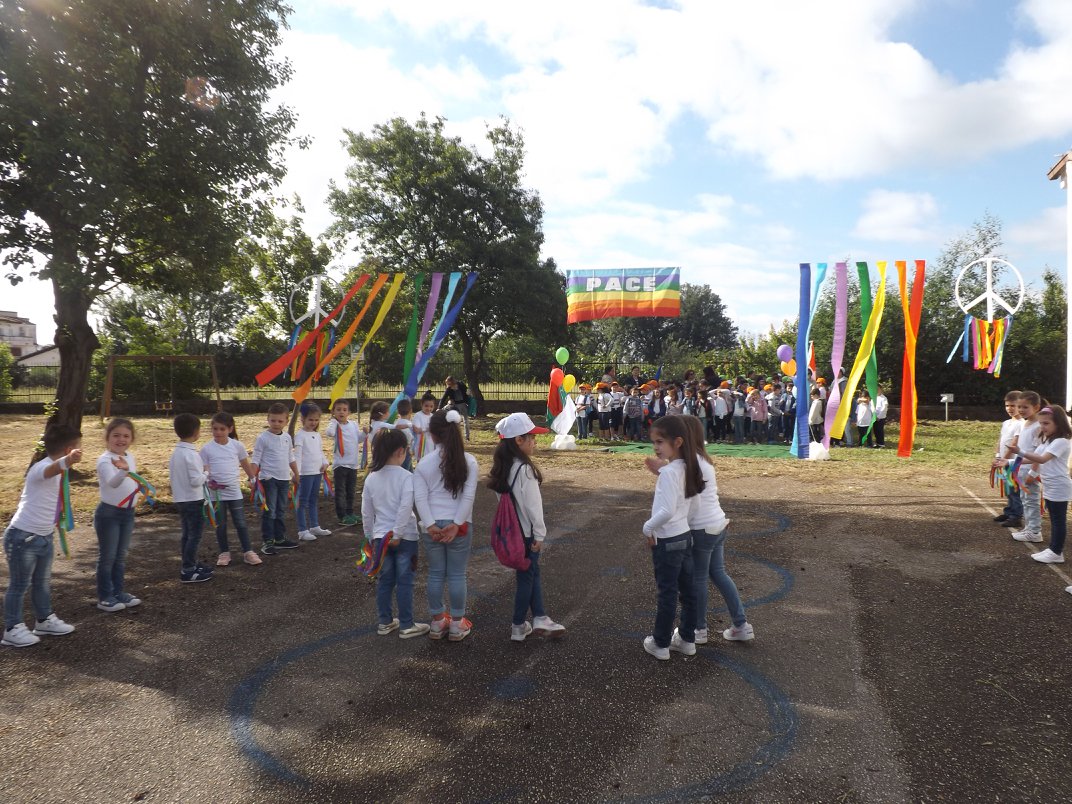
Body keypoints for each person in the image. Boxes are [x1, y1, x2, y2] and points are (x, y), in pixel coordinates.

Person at [646, 417, 752, 645]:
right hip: (717, 524)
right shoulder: (702, 459)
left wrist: (663, 472)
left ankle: (698, 629)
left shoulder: (690, 462)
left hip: (701, 529)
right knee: (718, 574)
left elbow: (682, 491)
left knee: (697, 580)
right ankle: (741, 624)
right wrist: (663, 470)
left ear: (682, 439)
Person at [487, 412, 566, 642]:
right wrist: (540, 534)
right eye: (530, 436)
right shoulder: (525, 470)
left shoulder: (503, 467)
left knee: (530, 574)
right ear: (518, 441)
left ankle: (538, 617)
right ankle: (519, 625)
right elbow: (534, 507)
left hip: (512, 533)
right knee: (526, 577)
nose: (535, 441)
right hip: (527, 534)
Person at [2, 424, 82, 647]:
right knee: (19, 584)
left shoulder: (55, 468)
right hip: (22, 537)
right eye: (77, 448)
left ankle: (44, 619)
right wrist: (68, 460)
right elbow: (52, 470)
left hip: (43, 536)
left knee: (42, 582)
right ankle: (12, 628)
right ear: (68, 449)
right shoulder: (41, 467)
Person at [413, 410, 479, 641]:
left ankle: (437, 621)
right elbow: (468, 497)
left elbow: (420, 499)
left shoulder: (423, 464)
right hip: (458, 526)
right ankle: (457, 624)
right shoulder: (469, 461)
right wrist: (456, 524)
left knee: (436, 573)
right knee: (457, 574)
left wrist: (430, 525)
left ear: (432, 435)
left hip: (432, 526)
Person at [641, 415, 700, 660]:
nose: (655, 447)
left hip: (667, 541)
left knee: (667, 593)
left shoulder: (669, 473)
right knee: (688, 591)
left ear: (677, 442)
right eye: (654, 442)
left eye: (660, 442)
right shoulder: (688, 466)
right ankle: (687, 639)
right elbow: (694, 505)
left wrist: (647, 528)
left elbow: (666, 511)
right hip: (685, 537)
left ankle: (661, 643)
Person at [362, 429, 429, 639]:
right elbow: (405, 507)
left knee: (385, 581)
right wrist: (398, 533)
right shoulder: (407, 477)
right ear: (401, 451)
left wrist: (370, 536)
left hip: (380, 537)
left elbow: (366, 511)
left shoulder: (371, 478)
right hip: (405, 537)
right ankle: (407, 625)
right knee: (405, 581)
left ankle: (385, 621)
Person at [1009, 405, 1072, 564]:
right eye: (1041, 423)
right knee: (1055, 519)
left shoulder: (1062, 441)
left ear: (1058, 423)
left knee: (1058, 520)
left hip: (1059, 486)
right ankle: (1053, 549)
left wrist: (1019, 451)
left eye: (1046, 423)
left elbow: (1042, 459)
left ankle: (1056, 552)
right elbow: (1035, 457)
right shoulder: (1049, 440)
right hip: (1051, 486)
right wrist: (1009, 462)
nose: (1042, 427)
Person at [93, 418, 142, 612]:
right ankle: (105, 596)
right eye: (116, 435)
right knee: (108, 557)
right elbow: (113, 482)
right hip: (109, 514)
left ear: (131, 439)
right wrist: (123, 471)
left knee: (120, 556)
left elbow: (132, 480)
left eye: (126, 436)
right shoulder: (105, 460)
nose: (121, 439)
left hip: (127, 513)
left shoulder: (129, 456)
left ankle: (118, 592)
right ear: (107, 438)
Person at [200, 411, 260, 567]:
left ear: (230, 429)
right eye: (215, 429)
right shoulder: (206, 449)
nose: (218, 432)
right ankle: (224, 553)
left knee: (241, 523)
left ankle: (248, 552)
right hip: (215, 494)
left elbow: (245, 464)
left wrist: (252, 478)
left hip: (234, 492)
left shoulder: (237, 446)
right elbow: (204, 469)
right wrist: (208, 481)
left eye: (222, 429)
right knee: (221, 524)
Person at [169, 413, 213, 583]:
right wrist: (206, 472)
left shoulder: (176, 453)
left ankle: (191, 563)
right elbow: (196, 481)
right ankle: (188, 569)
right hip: (193, 499)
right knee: (194, 535)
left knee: (187, 534)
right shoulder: (192, 455)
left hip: (180, 498)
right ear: (196, 432)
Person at [251, 403, 300, 555]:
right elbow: (256, 459)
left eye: (280, 421)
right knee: (270, 510)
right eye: (273, 420)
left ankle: (279, 538)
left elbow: (290, 457)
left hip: (284, 479)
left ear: (286, 421)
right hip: (269, 479)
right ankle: (267, 541)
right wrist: (252, 478)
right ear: (268, 419)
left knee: (280, 510)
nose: (276, 424)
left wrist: (296, 474)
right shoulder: (262, 438)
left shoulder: (286, 437)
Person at [1010, 392, 1044, 544]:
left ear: (1036, 407)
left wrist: (1033, 472)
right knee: (1025, 500)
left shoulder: (1038, 427)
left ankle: (1035, 531)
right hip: (1021, 468)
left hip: (1030, 470)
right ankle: (1029, 528)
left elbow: (1038, 453)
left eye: (1025, 407)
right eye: (1019, 407)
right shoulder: (1024, 423)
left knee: (1032, 500)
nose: (1021, 410)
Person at [294, 402, 331, 543]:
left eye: (316, 420)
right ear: (302, 419)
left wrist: (325, 462)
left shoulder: (316, 435)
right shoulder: (300, 436)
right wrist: (296, 473)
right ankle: (302, 530)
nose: (314, 422)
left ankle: (314, 526)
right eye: (310, 419)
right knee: (302, 501)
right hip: (305, 473)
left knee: (313, 500)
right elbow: (297, 455)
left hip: (317, 472)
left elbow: (319, 452)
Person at [327, 399, 365, 526]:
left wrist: (364, 434)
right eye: (338, 410)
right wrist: (333, 421)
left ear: (349, 412)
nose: (341, 412)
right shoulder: (335, 425)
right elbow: (329, 433)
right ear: (333, 412)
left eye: (344, 410)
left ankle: (350, 513)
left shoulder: (353, 424)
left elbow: (358, 440)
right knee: (340, 491)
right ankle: (342, 516)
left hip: (353, 464)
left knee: (351, 491)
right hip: (340, 465)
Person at [992, 391, 1023, 529]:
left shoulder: (1021, 424)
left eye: (1013, 405)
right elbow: (1001, 440)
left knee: (1014, 489)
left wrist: (1005, 459)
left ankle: (1016, 516)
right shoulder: (1006, 423)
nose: (1009, 409)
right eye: (1007, 405)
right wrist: (998, 455)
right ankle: (1009, 511)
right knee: (1008, 488)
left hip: (1014, 462)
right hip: (1004, 460)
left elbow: (1014, 444)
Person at [440, 376, 471, 441]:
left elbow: (467, 392)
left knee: (465, 420)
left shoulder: (461, 385)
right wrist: (439, 408)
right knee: (458, 421)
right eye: (447, 384)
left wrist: (468, 398)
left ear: (453, 382)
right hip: (455, 406)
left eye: (449, 384)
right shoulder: (449, 389)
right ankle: (458, 436)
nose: (448, 385)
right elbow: (443, 398)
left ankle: (467, 436)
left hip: (463, 404)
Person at [411, 392, 437, 461]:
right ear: (421, 405)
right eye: (426, 406)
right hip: (421, 446)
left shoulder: (433, 416)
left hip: (431, 445)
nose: (429, 408)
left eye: (431, 406)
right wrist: (427, 429)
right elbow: (416, 430)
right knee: (421, 463)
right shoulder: (418, 415)